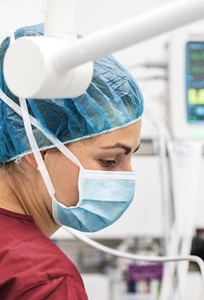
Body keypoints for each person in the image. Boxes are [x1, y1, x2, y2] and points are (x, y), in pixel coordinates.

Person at [0, 24, 143, 299]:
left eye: (131, 157)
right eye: (110, 161)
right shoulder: (44, 280)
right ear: (37, 149)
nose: (128, 175)